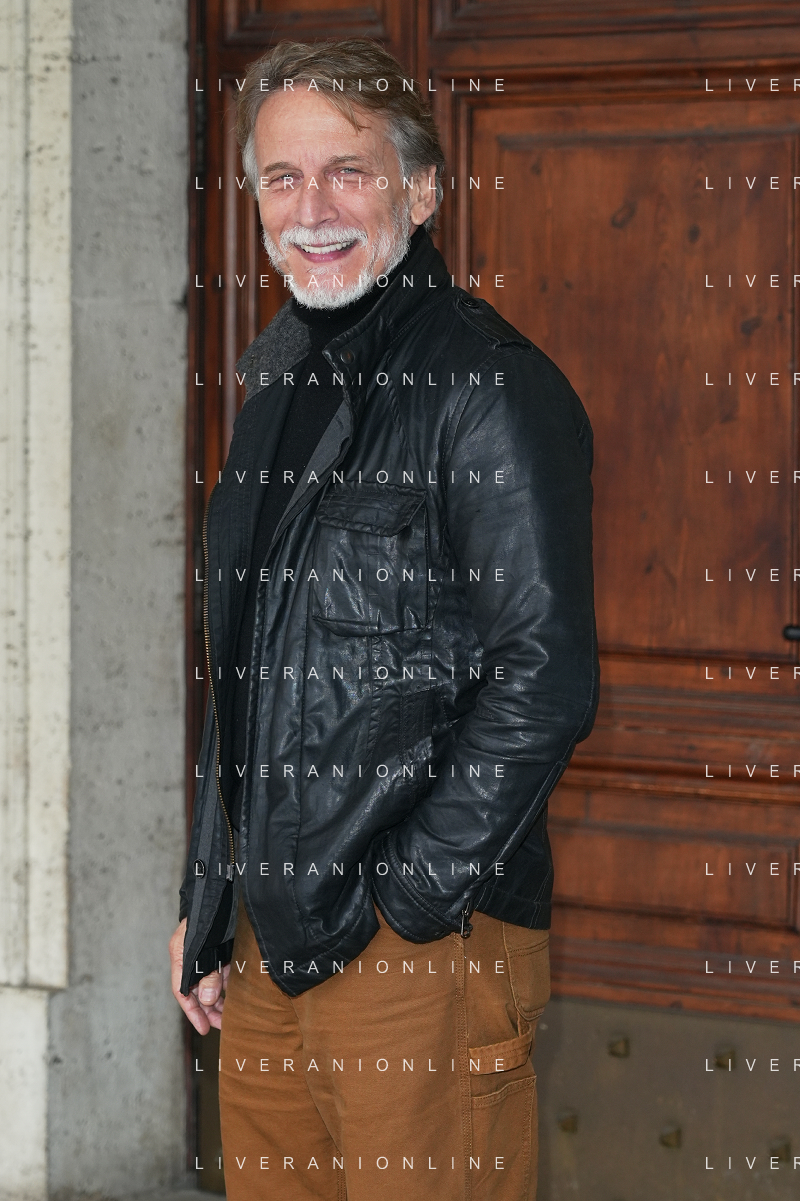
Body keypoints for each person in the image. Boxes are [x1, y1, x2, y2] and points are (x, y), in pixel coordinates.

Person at [169, 36, 598, 1201]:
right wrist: (208, 902)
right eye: (281, 177)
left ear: (420, 190)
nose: (311, 209)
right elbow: (244, 673)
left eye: (346, 172)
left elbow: (543, 677)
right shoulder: (274, 393)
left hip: (420, 948)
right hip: (267, 947)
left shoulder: (487, 386)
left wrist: (407, 898)